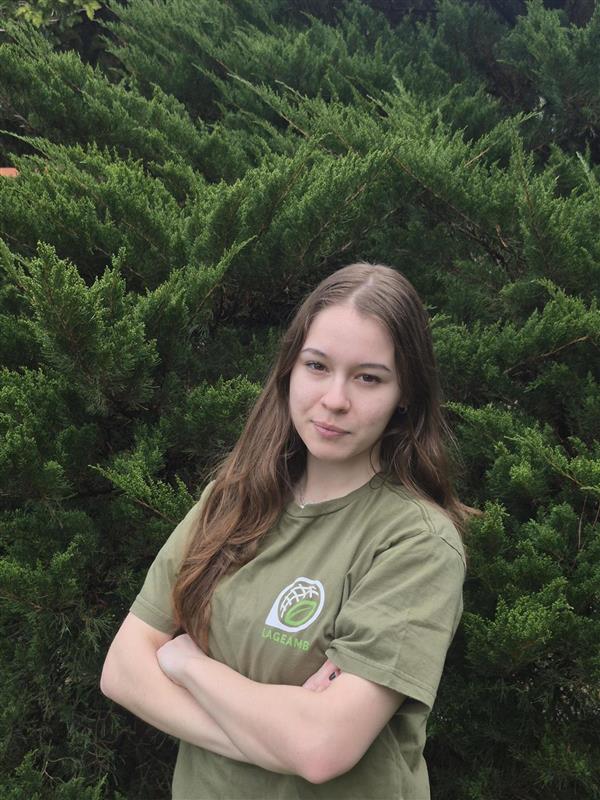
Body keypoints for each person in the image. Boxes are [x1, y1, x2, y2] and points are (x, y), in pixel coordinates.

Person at [101, 262, 470, 799]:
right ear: (289, 370)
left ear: (406, 394)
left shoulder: (416, 543)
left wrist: (189, 665)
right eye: (317, 366)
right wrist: (276, 739)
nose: (335, 398)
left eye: (368, 377)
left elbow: (321, 748)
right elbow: (122, 670)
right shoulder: (231, 501)